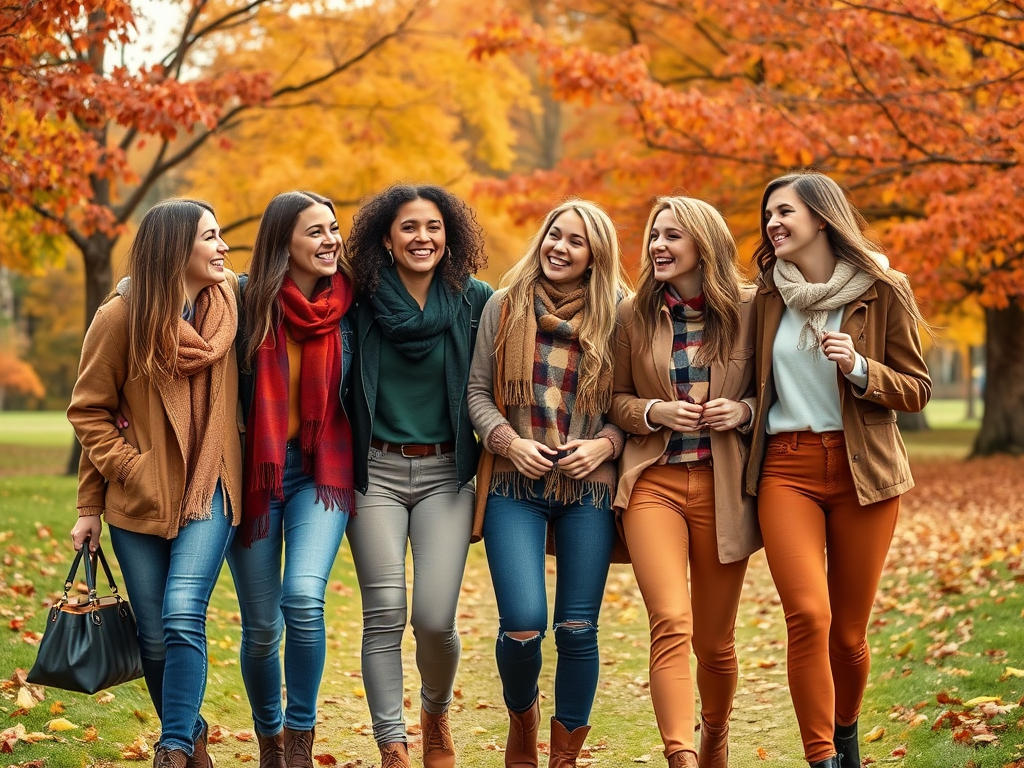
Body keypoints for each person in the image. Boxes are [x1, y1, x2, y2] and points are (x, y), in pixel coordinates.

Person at [745, 171, 931, 768]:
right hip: (786, 467)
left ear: (821, 218)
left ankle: (845, 731)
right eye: (768, 214)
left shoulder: (883, 289)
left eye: (785, 212)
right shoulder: (765, 296)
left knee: (848, 636)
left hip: (864, 473)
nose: (772, 223)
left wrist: (859, 367)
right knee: (808, 615)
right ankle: (821, 757)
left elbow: (917, 390)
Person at [68, 199, 241, 768]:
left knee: (183, 612)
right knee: (154, 635)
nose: (222, 248)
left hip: (209, 487)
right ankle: (190, 732)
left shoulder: (228, 309)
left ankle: (168, 750)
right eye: (210, 238)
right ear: (174, 251)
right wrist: (112, 482)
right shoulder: (120, 318)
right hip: (138, 497)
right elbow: (93, 410)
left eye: (220, 237)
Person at [467, 199, 628, 768]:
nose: (559, 247)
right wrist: (509, 443)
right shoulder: (504, 308)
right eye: (554, 235)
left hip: (587, 491)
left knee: (579, 628)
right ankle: (523, 716)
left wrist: (604, 445)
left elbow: (627, 404)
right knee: (523, 624)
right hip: (515, 487)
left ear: (595, 256)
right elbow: (478, 395)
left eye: (575, 241)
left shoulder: (620, 315)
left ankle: (562, 757)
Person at [608, 196, 760, 768]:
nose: (657, 246)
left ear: (704, 244)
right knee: (671, 621)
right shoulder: (633, 314)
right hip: (655, 485)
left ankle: (714, 734)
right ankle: (681, 755)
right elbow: (615, 399)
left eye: (672, 235)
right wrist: (653, 413)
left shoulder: (750, 310)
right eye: (654, 235)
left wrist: (741, 412)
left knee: (715, 642)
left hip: (724, 488)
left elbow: (776, 392)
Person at [344, 184, 492, 768]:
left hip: (445, 476)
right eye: (408, 227)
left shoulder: (476, 301)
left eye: (432, 227)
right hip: (374, 472)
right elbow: (274, 290)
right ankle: (393, 745)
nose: (422, 238)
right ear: (386, 237)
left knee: (434, 617)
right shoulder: (356, 300)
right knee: (383, 613)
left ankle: (433, 712)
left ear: (448, 235)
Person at [226, 191, 355, 768]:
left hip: (319, 471)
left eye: (334, 229)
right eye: (316, 232)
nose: (331, 240)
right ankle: (270, 741)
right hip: (253, 474)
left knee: (302, 597)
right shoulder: (242, 302)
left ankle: (301, 741)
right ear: (284, 242)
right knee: (260, 626)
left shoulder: (351, 303)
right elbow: (162, 296)